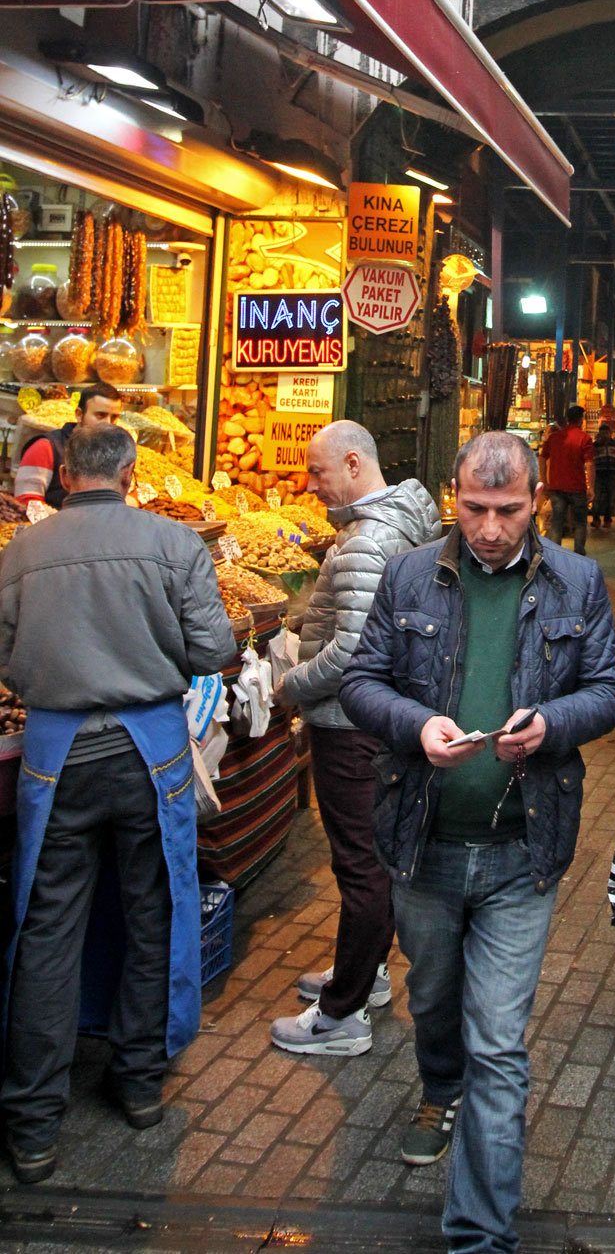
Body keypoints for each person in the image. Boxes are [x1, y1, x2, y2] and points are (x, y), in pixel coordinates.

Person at [340, 431, 615, 1254]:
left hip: (518, 851)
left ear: (536, 499)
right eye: (474, 509)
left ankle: (478, 1235)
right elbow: (363, 680)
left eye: (507, 510)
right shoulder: (409, 574)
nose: (491, 528)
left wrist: (551, 723)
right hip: (421, 843)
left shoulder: (573, 580)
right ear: (449, 496)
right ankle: (439, 1086)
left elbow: (609, 688)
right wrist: (415, 722)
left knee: (498, 1041)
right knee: (434, 999)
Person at [0, 424, 236, 1183]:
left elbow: (4, 656)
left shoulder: (23, 550)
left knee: (47, 923)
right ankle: (137, 1080)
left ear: (65, 472)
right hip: (150, 751)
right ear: (131, 472)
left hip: (54, 755)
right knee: (154, 909)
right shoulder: (173, 543)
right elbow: (213, 651)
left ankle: (33, 1120)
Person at [269, 420, 441, 1057]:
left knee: (362, 865)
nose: (310, 485)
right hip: (371, 721)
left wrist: (292, 684)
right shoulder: (386, 526)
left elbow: (351, 654)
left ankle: (341, 1017)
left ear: (351, 463)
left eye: (318, 472)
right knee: (372, 858)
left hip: (349, 724)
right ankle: (361, 975)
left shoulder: (368, 541)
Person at [13, 383, 122, 509]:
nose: (108, 423)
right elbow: (27, 502)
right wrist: (67, 523)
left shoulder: (116, 450)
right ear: (79, 415)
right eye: (100, 415)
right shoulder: (46, 447)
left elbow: (140, 488)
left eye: (114, 417)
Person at [542, 404, 593, 552]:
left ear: (567, 419)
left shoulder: (554, 438)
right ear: (581, 420)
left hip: (557, 487)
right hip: (577, 487)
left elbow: (542, 458)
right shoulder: (585, 438)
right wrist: (591, 487)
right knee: (580, 523)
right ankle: (578, 555)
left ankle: (556, 555)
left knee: (557, 522)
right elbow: (589, 465)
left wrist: (543, 480)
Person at [590, 423, 615, 529]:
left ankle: (607, 519)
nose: (604, 435)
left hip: (612, 472)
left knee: (610, 497)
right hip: (599, 473)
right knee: (597, 497)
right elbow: (590, 459)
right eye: (602, 433)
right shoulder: (595, 446)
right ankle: (596, 519)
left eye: (606, 433)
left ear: (610, 434)